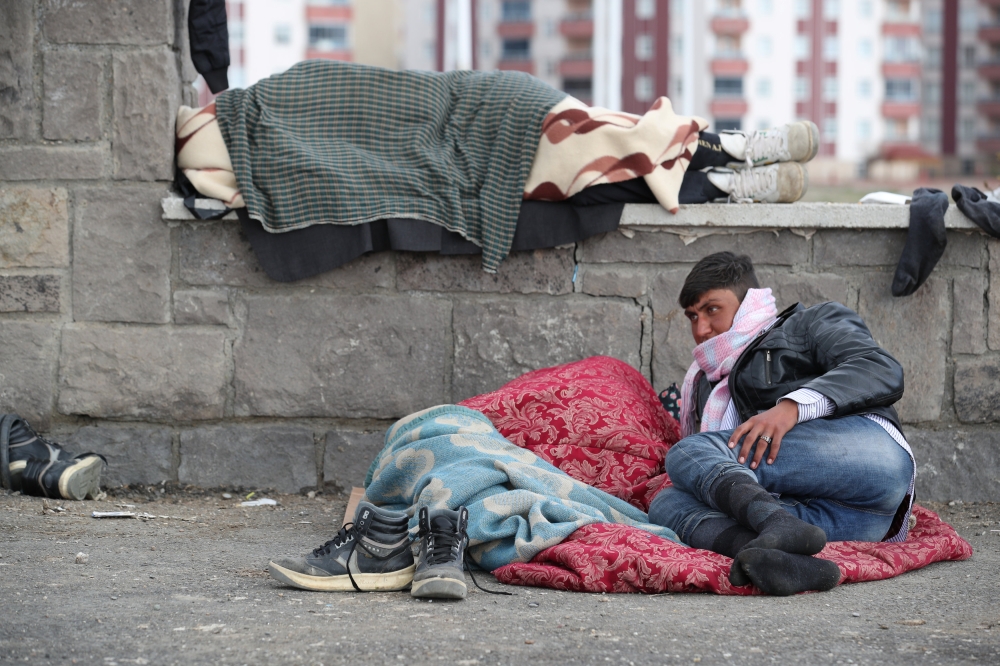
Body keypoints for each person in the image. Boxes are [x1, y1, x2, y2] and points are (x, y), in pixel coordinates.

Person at [647, 252, 915, 596]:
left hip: (871, 462)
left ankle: (776, 526)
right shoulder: (703, 382)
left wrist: (792, 407)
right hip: (849, 519)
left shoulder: (808, 324)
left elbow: (879, 367)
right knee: (667, 503)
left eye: (712, 309)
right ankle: (773, 552)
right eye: (692, 316)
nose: (700, 329)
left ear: (747, 302)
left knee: (690, 452)